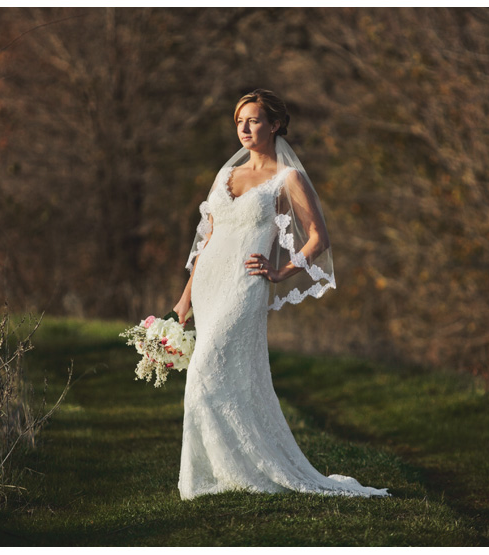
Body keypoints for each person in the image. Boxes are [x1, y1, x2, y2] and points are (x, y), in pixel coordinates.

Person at [173, 89, 389, 500]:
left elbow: (318, 238)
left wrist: (282, 271)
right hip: (208, 284)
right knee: (219, 377)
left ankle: (246, 472)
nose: (244, 128)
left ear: (274, 124)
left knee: (204, 370)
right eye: (239, 121)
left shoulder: (287, 178)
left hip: (245, 286)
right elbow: (209, 239)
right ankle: (217, 473)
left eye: (253, 120)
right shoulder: (226, 176)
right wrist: (185, 297)